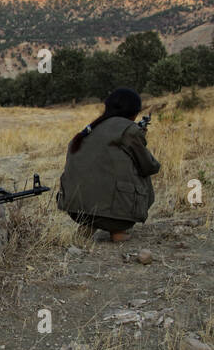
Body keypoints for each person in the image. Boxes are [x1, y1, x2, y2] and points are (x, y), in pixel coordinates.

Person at [55, 88, 160, 241]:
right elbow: (150, 166)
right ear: (135, 112)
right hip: (116, 217)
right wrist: (140, 139)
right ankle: (118, 231)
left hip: (76, 210)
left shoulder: (90, 129)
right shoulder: (130, 130)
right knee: (141, 174)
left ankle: (88, 226)